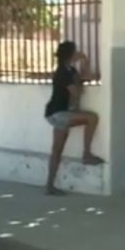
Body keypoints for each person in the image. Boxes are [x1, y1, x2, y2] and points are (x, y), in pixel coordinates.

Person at [44, 41, 104, 195]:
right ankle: (86, 154)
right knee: (92, 118)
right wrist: (79, 82)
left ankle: (49, 185)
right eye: (75, 52)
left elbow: (89, 76)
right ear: (70, 55)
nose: (78, 53)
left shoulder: (70, 70)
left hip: (58, 113)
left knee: (57, 150)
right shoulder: (63, 73)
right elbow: (76, 92)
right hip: (59, 113)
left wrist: (85, 60)